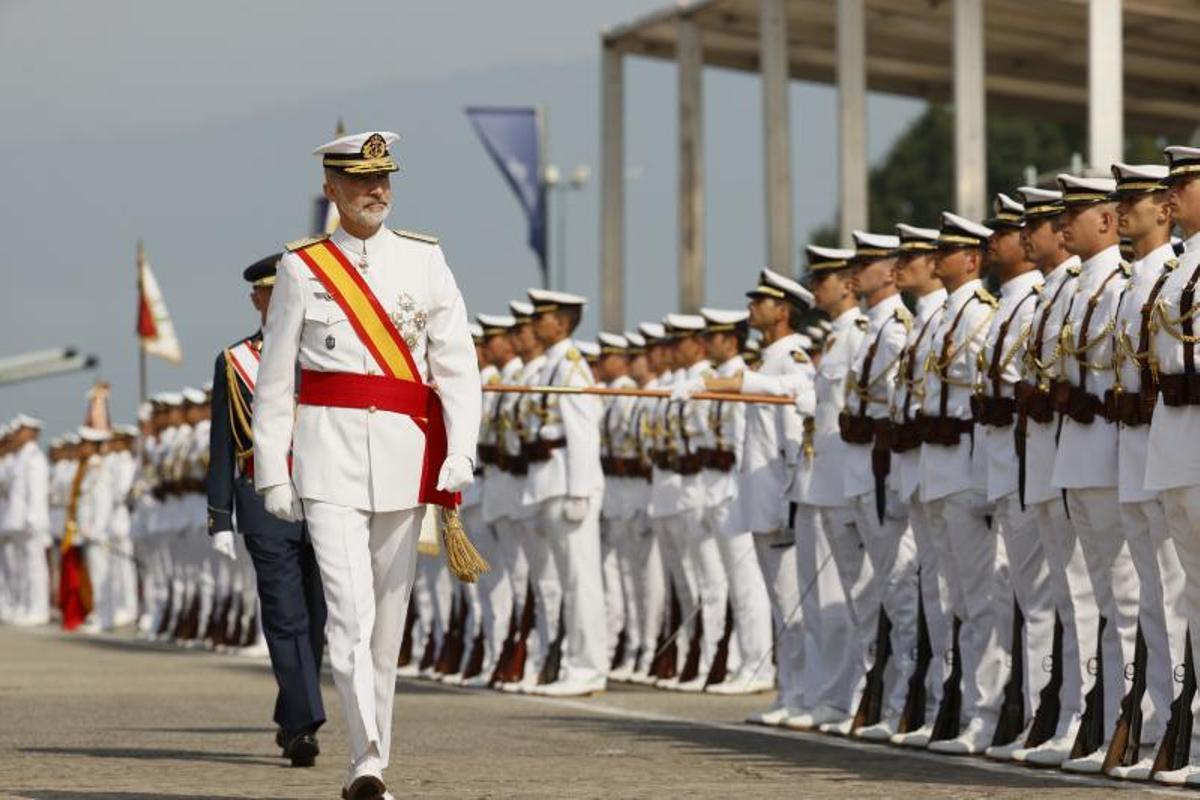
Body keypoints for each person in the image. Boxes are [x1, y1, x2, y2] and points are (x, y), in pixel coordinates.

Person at [252, 130, 481, 800]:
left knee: (388, 623)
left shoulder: (425, 261)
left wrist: (461, 449)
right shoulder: (303, 268)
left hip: (408, 457)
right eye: (359, 181)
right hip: (327, 461)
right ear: (333, 190)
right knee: (348, 617)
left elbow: (457, 365)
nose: (375, 191)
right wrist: (272, 468)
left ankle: (368, 751)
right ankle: (368, 762)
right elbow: (274, 380)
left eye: (383, 179)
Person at [207, 252, 327, 767]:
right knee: (285, 614)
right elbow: (220, 443)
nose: (276, 302)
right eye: (267, 294)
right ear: (257, 300)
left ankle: (291, 711)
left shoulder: (325, 353)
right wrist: (219, 513)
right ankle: (303, 726)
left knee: (319, 617)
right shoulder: (235, 362)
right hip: (261, 496)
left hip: (324, 491)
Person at [1051, 173, 1138, 775]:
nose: (1061, 228)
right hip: (1076, 454)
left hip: (1110, 450)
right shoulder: (1079, 289)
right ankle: (1108, 724)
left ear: (1104, 222)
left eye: (1073, 217)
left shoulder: (1122, 284)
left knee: (1128, 596)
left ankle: (1140, 723)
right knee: (1105, 597)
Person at [1102, 162, 1187, 780]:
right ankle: (1162, 723)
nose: (1126, 211)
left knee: (1182, 594)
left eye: (1179, 187)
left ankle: (1183, 728)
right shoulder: (1157, 276)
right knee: (1157, 598)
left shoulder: (1178, 269)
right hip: (1153, 447)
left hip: (1183, 440)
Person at [920, 212, 1011, 755]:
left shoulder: (980, 313)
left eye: (948, 251)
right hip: (937, 468)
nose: (937, 260)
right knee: (951, 598)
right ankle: (956, 707)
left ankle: (988, 712)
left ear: (971, 260)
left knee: (980, 601)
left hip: (967, 467)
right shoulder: (940, 318)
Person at [974, 193, 1053, 760]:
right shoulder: (1008, 304)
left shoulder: (1034, 302)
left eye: (1022, 230)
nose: (1006, 241)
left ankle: (1046, 713)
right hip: (1004, 465)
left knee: (1046, 597)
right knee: (1015, 595)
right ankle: (1027, 713)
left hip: (1034, 463)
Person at [520, 288, 607, 697]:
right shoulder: (552, 366)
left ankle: (588, 667)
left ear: (562, 322)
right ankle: (575, 662)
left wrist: (581, 490)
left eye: (543, 316)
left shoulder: (571, 367)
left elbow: (583, 433)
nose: (536, 323)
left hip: (568, 483)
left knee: (581, 580)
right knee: (565, 581)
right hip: (548, 482)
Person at [1146, 145, 1200, 787]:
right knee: (1194, 595)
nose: (1170, 197)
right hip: (1176, 446)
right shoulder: (1177, 270)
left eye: (1183, 184)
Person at [888, 225, 952, 748]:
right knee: (931, 591)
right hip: (919, 470)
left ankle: (957, 705)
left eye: (916, 255)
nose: (901, 263)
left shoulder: (950, 317)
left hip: (952, 470)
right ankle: (935, 703)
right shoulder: (922, 324)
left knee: (960, 595)